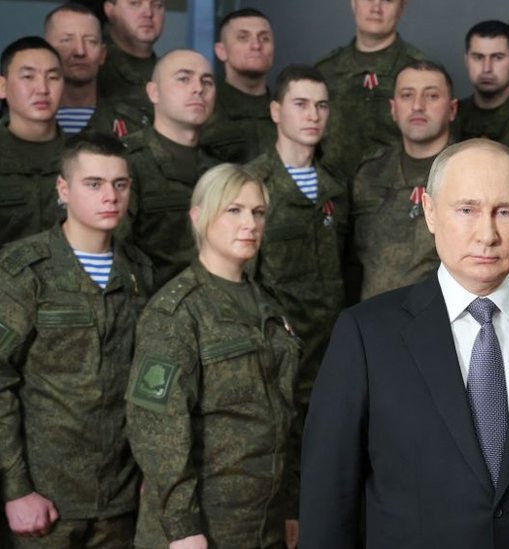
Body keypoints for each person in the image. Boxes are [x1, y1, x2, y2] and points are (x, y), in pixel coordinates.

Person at [300, 138, 509, 548]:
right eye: (467, 210)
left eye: (505, 212)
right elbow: (327, 509)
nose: (487, 234)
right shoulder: (365, 336)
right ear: (431, 211)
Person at [126, 163, 302, 549]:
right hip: (201, 528)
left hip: (263, 523)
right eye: (233, 210)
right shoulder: (176, 312)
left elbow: (284, 418)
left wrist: (291, 506)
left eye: (258, 212)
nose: (250, 223)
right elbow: (155, 427)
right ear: (198, 216)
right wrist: (182, 527)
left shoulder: (269, 306)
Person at [0, 133, 152, 548]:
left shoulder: (139, 270)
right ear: (63, 189)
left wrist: (152, 477)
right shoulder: (24, 271)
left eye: (120, 184)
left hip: (121, 497)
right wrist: (15, 489)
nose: (110, 196)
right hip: (46, 500)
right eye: (94, 184)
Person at [246, 64, 347, 422]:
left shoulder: (335, 185)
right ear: (276, 111)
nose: (313, 115)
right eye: (301, 104)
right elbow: (240, 277)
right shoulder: (252, 183)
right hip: (278, 353)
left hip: (332, 352)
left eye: (321, 106)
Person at [350, 60, 455, 300]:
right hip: (375, 324)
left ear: (452, 109)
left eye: (432, 96)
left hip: (443, 326)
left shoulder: (469, 171)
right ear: (393, 108)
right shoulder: (368, 174)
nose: (418, 106)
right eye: (407, 95)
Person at [123, 49, 217, 284]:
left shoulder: (218, 168)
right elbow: (114, 250)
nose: (198, 88)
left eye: (207, 82)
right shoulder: (124, 161)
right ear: (153, 92)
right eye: (184, 79)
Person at [315, 0, 425, 179]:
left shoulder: (420, 71)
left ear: (402, 8)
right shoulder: (325, 71)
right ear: (353, 3)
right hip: (333, 194)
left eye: (388, 1)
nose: (376, 8)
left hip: (392, 194)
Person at [0, 36, 65, 248]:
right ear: (2, 87)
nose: (43, 89)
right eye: (28, 77)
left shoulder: (83, 156)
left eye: (53, 77)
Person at [199, 8, 277, 164]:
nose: (256, 45)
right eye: (243, 37)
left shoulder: (288, 111)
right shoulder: (203, 107)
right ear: (221, 51)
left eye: (265, 38)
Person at [97, 0, 165, 136]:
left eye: (157, 5)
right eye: (135, 3)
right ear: (110, 10)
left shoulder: (172, 74)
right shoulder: (92, 68)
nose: (149, 13)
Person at [453, 20, 509, 151]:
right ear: (466, 61)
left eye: (497, 57)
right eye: (478, 57)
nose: (486, 68)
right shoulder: (451, 117)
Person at [43, 3, 105, 136]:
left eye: (91, 41)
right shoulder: (24, 123)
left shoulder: (129, 124)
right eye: (66, 40)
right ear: (46, 51)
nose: (80, 52)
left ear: (103, 54)